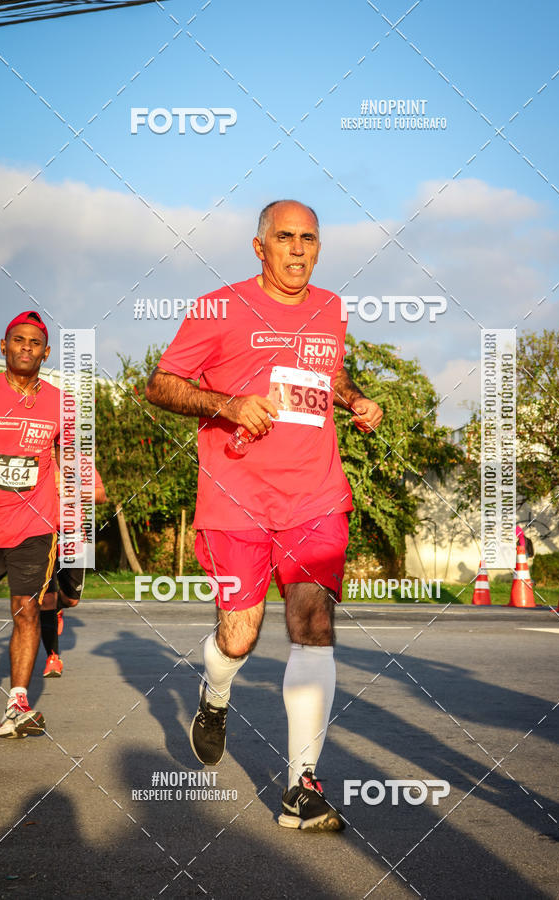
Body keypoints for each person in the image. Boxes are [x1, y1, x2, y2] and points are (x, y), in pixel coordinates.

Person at [146, 200, 382, 831]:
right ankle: (215, 693)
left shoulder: (331, 307)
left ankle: (300, 786)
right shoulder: (218, 306)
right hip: (236, 499)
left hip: (315, 495)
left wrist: (357, 398)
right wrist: (227, 405)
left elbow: (327, 374)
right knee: (240, 636)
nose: (299, 249)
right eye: (285, 238)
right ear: (260, 247)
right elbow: (161, 384)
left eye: (309, 238)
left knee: (312, 623)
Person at [0, 311, 60, 737]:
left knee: (27, 609)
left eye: (35, 343)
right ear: (4, 346)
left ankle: (17, 702)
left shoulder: (58, 401)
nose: (26, 348)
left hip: (33, 525)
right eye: (18, 340)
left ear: (45, 352)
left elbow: (71, 456)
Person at [41, 458, 107, 677]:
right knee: (46, 599)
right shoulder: (34, 459)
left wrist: (75, 492)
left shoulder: (80, 462)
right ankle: (53, 657)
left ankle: (58, 608)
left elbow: (101, 495)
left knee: (71, 600)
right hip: (41, 534)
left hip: (73, 535)